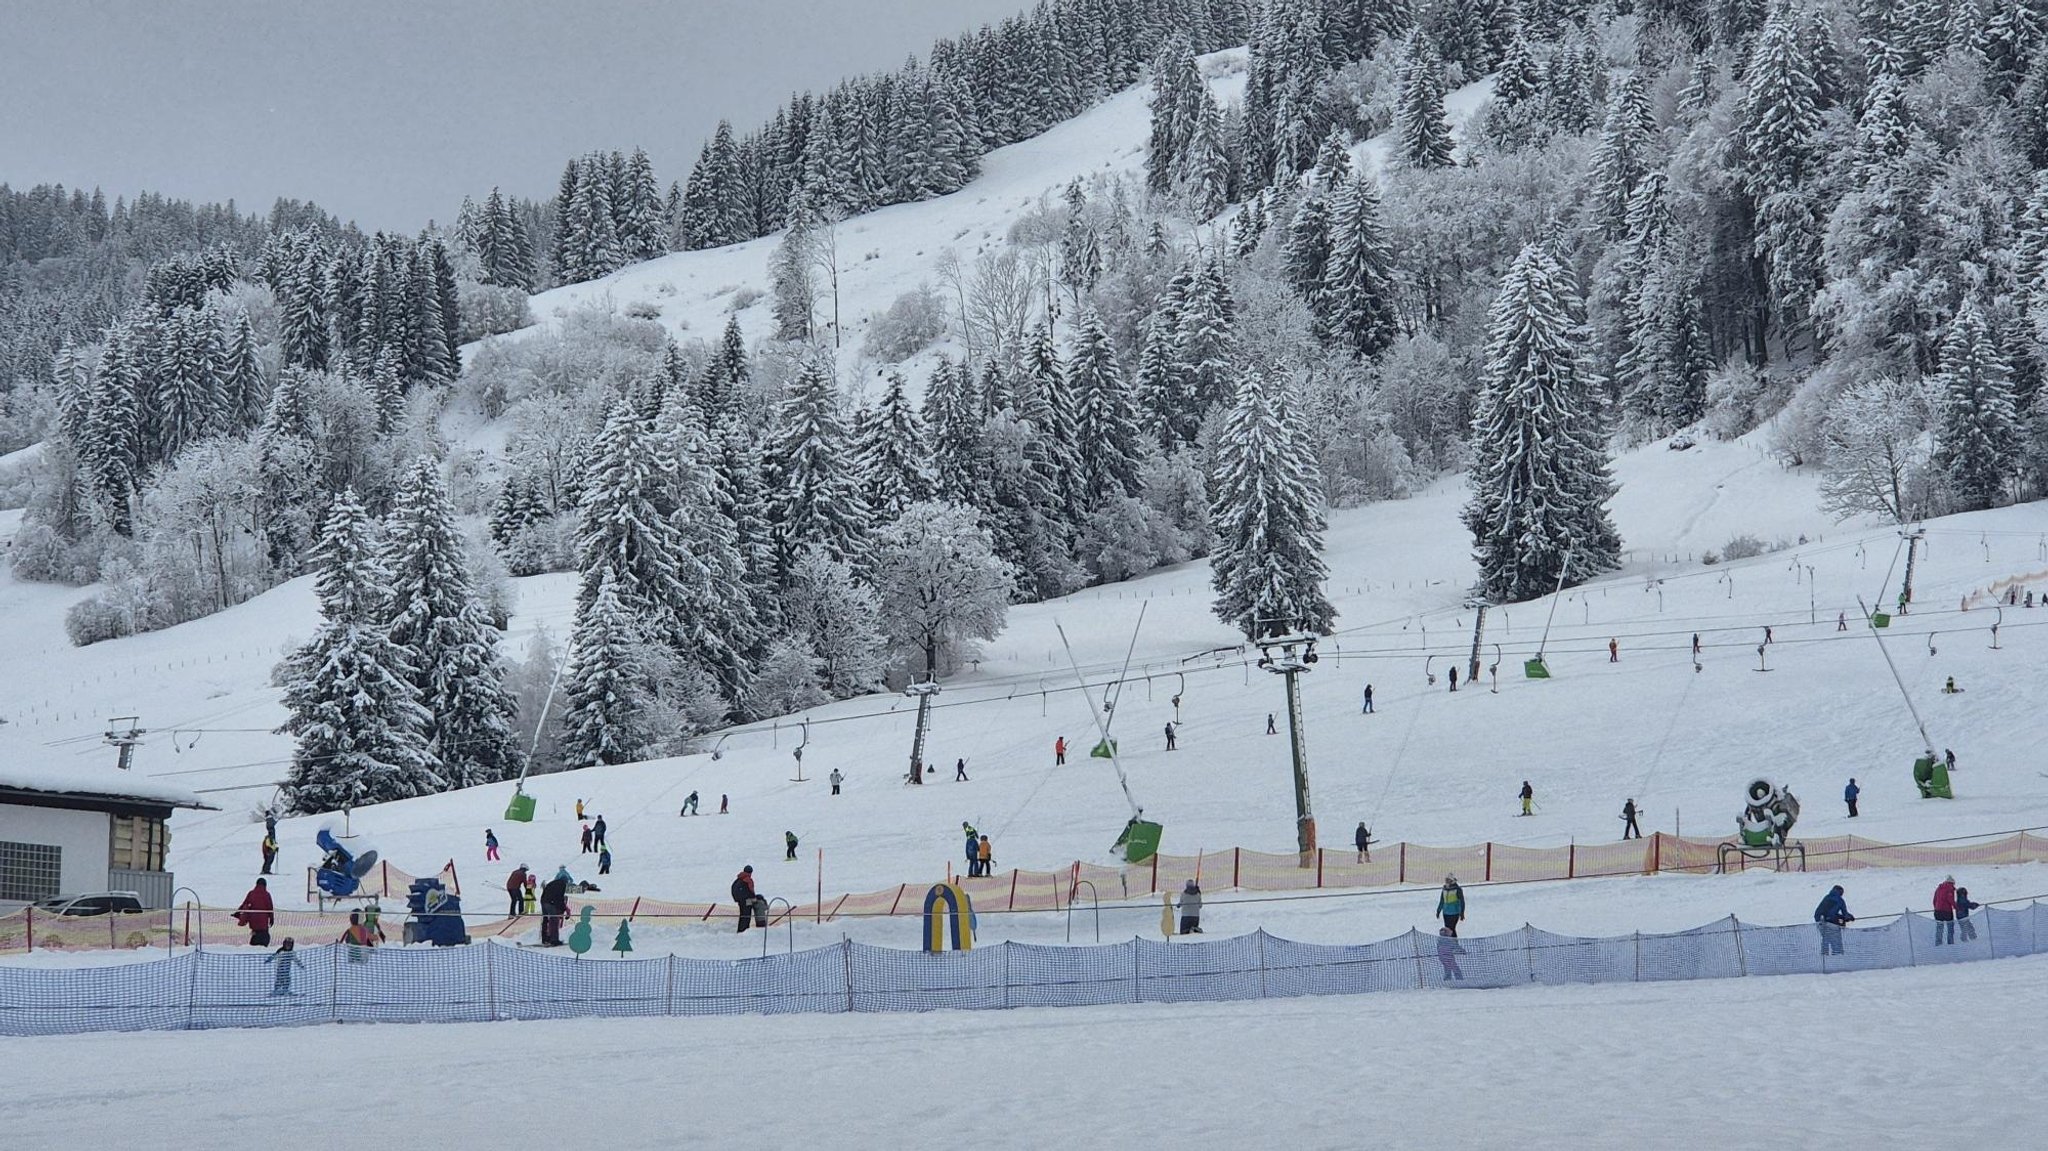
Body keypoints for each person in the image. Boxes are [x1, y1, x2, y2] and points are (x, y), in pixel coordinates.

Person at [1814, 884, 1854, 956]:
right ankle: (1837, 954)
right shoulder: (1840, 900)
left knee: (1826, 937)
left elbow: (1824, 911)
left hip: (1819, 920)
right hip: (1830, 922)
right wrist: (1850, 917)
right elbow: (1845, 914)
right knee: (1835, 939)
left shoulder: (1826, 897)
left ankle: (1824, 954)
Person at [235, 878, 275, 948]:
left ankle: (253, 946)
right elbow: (270, 908)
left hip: (253, 919)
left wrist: (238, 912)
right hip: (263, 921)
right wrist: (271, 919)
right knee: (264, 935)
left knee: (255, 933)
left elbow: (245, 904)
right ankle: (262, 947)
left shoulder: (251, 893)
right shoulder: (267, 894)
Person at [540, 866, 571, 946]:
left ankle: (545, 938)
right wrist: (563, 909)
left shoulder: (552, 883)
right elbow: (559, 898)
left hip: (543, 901)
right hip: (551, 903)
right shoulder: (562, 884)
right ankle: (554, 940)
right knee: (554, 920)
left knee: (546, 919)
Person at [1933, 876, 1957, 946]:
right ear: (1952, 883)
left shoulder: (1938, 888)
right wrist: (1957, 907)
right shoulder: (1950, 889)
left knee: (1939, 928)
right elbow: (1951, 900)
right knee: (1950, 928)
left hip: (1938, 911)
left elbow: (1934, 900)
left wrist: (1936, 908)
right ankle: (1950, 943)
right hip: (1947, 912)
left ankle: (1938, 943)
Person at [732, 866, 757, 933]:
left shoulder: (738, 879)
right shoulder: (748, 880)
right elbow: (751, 890)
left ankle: (740, 929)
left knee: (742, 915)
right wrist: (754, 898)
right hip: (747, 900)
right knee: (747, 915)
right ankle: (745, 929)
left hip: (740, 901)